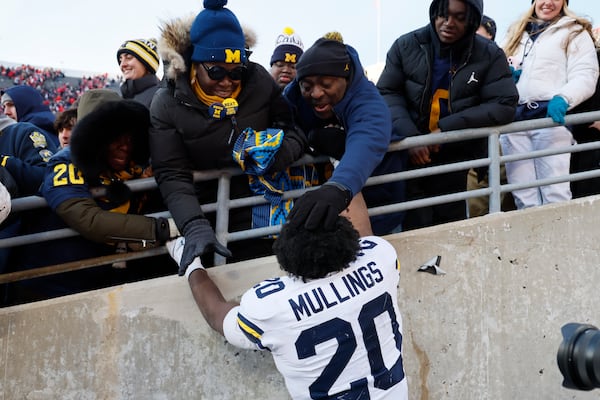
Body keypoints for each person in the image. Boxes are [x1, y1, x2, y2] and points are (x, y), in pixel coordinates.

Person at [166, 215, 408, 400]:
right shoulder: (381, 256)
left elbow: (217, 313)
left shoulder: (269, 306)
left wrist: (190, 264)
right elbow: (365, 241)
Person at [150, 0, 307, 273]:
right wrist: (194, 225)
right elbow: (171, 173)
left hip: (261, 211)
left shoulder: (258, 80)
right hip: (207, 213)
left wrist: (282, 153)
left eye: (237, 72)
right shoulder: (166, 103)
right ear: (193, 65)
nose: (227, 81)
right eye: (216, 71)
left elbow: (292, 128)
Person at [5, 89, 180, 303]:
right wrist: (161, 228)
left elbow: (135, 239)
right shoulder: (65, 162)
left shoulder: (136, 169)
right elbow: (88, 219)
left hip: (98, 288)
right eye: (113, 136)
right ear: (93, 136)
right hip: (44, 289)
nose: (124, 145)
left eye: (129, 135)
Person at [376, 0, 518, 230]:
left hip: (456, 156)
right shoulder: (405, 45)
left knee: (452, 226)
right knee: (415, 225)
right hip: (411, 156)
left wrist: (448, 128)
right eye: (443, 15)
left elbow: (505, 104)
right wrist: (411, 137)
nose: (448, 23)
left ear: (472, 20)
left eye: (459, 17)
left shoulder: (489, 54)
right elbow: (386, 92)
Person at [284, 32, 402, 236]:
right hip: (323, 215)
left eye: (326, 84)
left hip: (380, 209)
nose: (316, 93)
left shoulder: (367, 101)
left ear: (345, 80)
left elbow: (367, 140)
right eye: (307, 86)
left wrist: (339, 187)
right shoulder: (292, 98)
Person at [501, 0, 599, 209]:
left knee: (555, 192)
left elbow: (585, 73)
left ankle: (562, 241)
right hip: (515, 120)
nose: (548, 2)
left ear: (564, 2)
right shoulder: (516, 32)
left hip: (550, 118)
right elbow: (498, 68)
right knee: (523, 195)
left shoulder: (574, 30)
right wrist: (507, 78)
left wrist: (564, 98)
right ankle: (531, 242)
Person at [466, 14, 516, 217]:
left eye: (478, 34)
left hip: (499, 138)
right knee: (475, 202)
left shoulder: (498, 62)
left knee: (504, 196)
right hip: (470, 141)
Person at [117, 38, 161, 109]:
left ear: (147, 63)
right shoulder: (121, 97)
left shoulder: (160, 98)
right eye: (120, 60)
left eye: (129, 57)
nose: (122, 65)